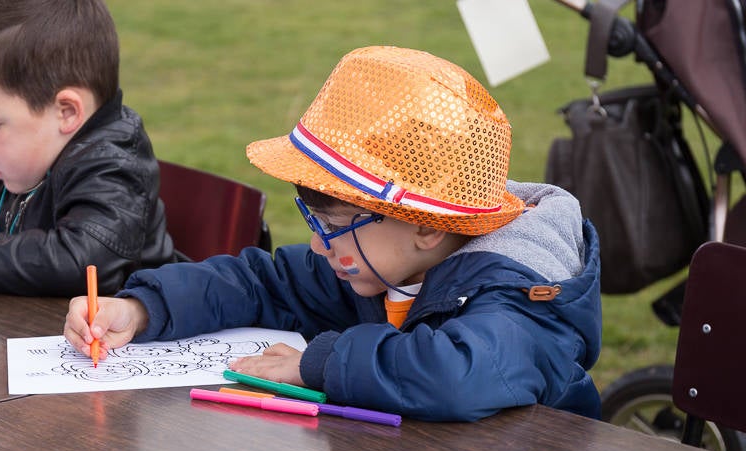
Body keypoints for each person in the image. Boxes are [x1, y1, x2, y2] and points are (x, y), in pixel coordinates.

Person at [64, 46, 602, 421]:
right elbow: (263, 283)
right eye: (313, 221)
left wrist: (314, 362)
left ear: (422, 225)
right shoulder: (378, 264)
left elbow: (455, 375)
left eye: (338, 226)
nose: (321, 245)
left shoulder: (523, 298)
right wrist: (142, 309)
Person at [0, 0, 175, 296]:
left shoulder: (114, 163)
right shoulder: (30, 160)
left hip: (125, 339)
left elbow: (82, 263)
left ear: (66, 111)